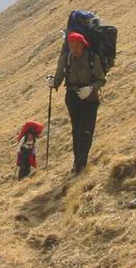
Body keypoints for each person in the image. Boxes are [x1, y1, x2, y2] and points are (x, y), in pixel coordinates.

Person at [49, 31, 106, 175]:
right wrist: (52, 83)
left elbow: (101, 79)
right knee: (76, 130)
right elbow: (58, 79)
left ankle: (81, 163)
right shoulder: (65, 59)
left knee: (86, 130)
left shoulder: (92, 58)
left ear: (83, 45)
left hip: (90, 98)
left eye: (76, 46)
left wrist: (91, 88)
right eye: (71, 46)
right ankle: (78, 162)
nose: (74, 49)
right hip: (73, 97)